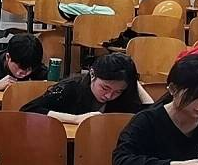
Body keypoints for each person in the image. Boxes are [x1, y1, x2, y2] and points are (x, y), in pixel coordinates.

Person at [21, 52, 152, 125]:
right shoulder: (71, 88)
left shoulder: (123, 96)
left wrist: (134, 83)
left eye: (118, 91)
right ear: (92, 74)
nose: (109, 96)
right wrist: (76, 119)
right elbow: (29, 110)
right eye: (105, 88)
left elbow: (150, 118)